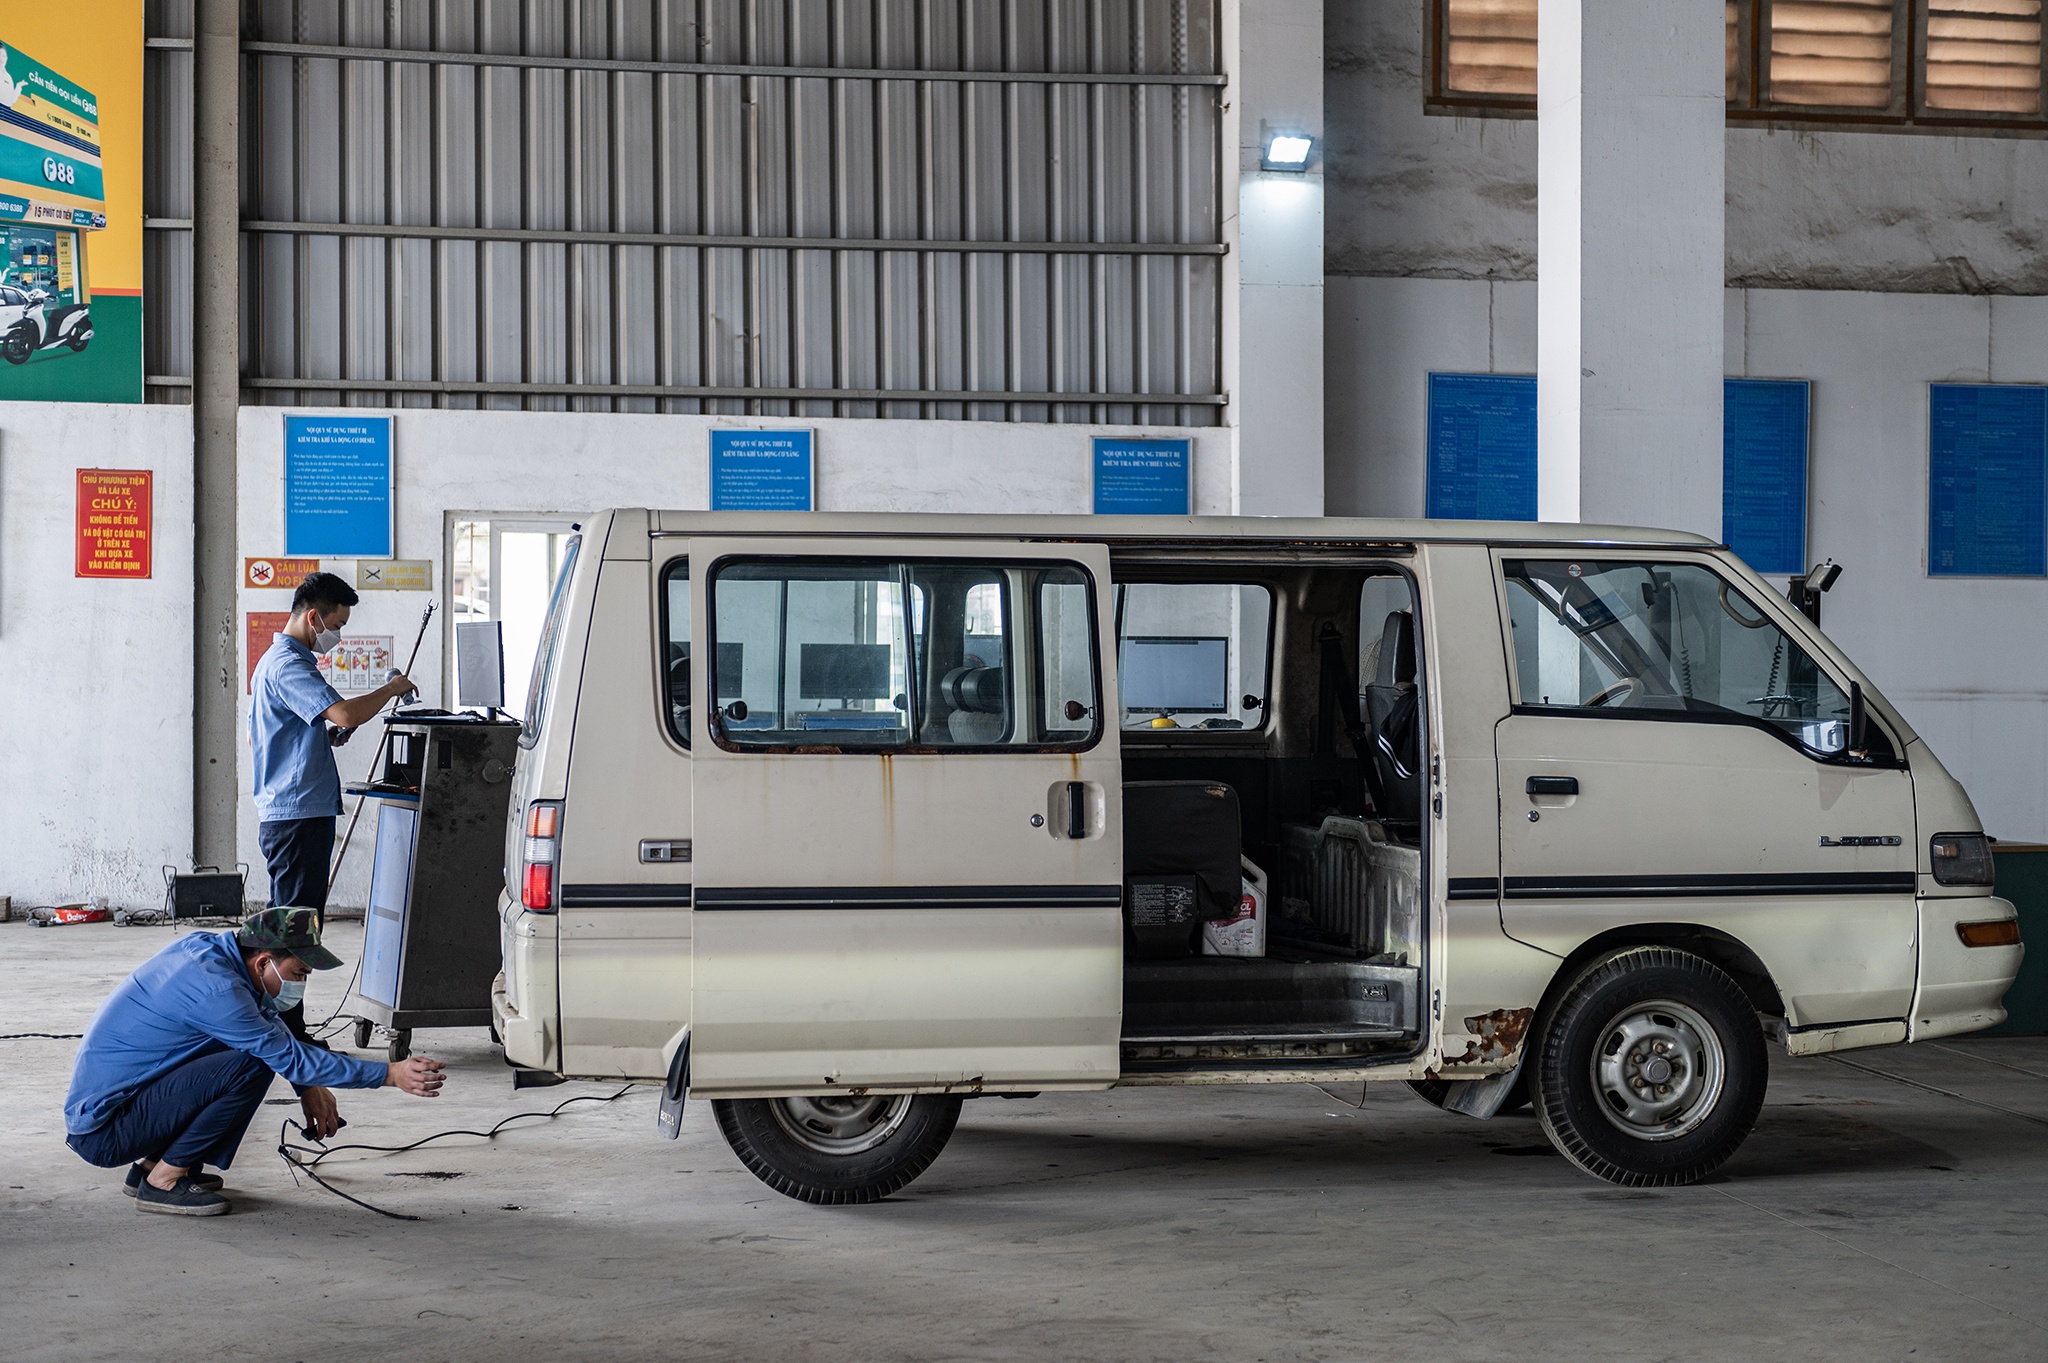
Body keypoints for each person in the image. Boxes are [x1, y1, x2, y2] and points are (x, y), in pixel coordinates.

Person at [64, 907, 446, 1216]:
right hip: (105, 1130)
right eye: (299, 973)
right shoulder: (217, 989)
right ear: (263, 962)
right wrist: (389, 1074)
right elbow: (281, 1052)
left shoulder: (214, 953)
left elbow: (268, 1023)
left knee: (250, 1051)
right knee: (252, 1062)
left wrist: (308, 1085)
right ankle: (163, 1180)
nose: (301, 984)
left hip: (120, 1109)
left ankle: (151, 1166)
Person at [249, 571, 416, 1033]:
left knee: (289, 924)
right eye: (337, 625)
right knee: (294, 932)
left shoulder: (285, 661)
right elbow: (344, 710)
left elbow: (312, 726)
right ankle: (288, 1033)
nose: (337, 637)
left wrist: (327, 736)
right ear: (314, 616)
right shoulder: (289, 663)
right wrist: (389, 690)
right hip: (296, 815)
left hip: (298, 809)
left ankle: (280, 1025)